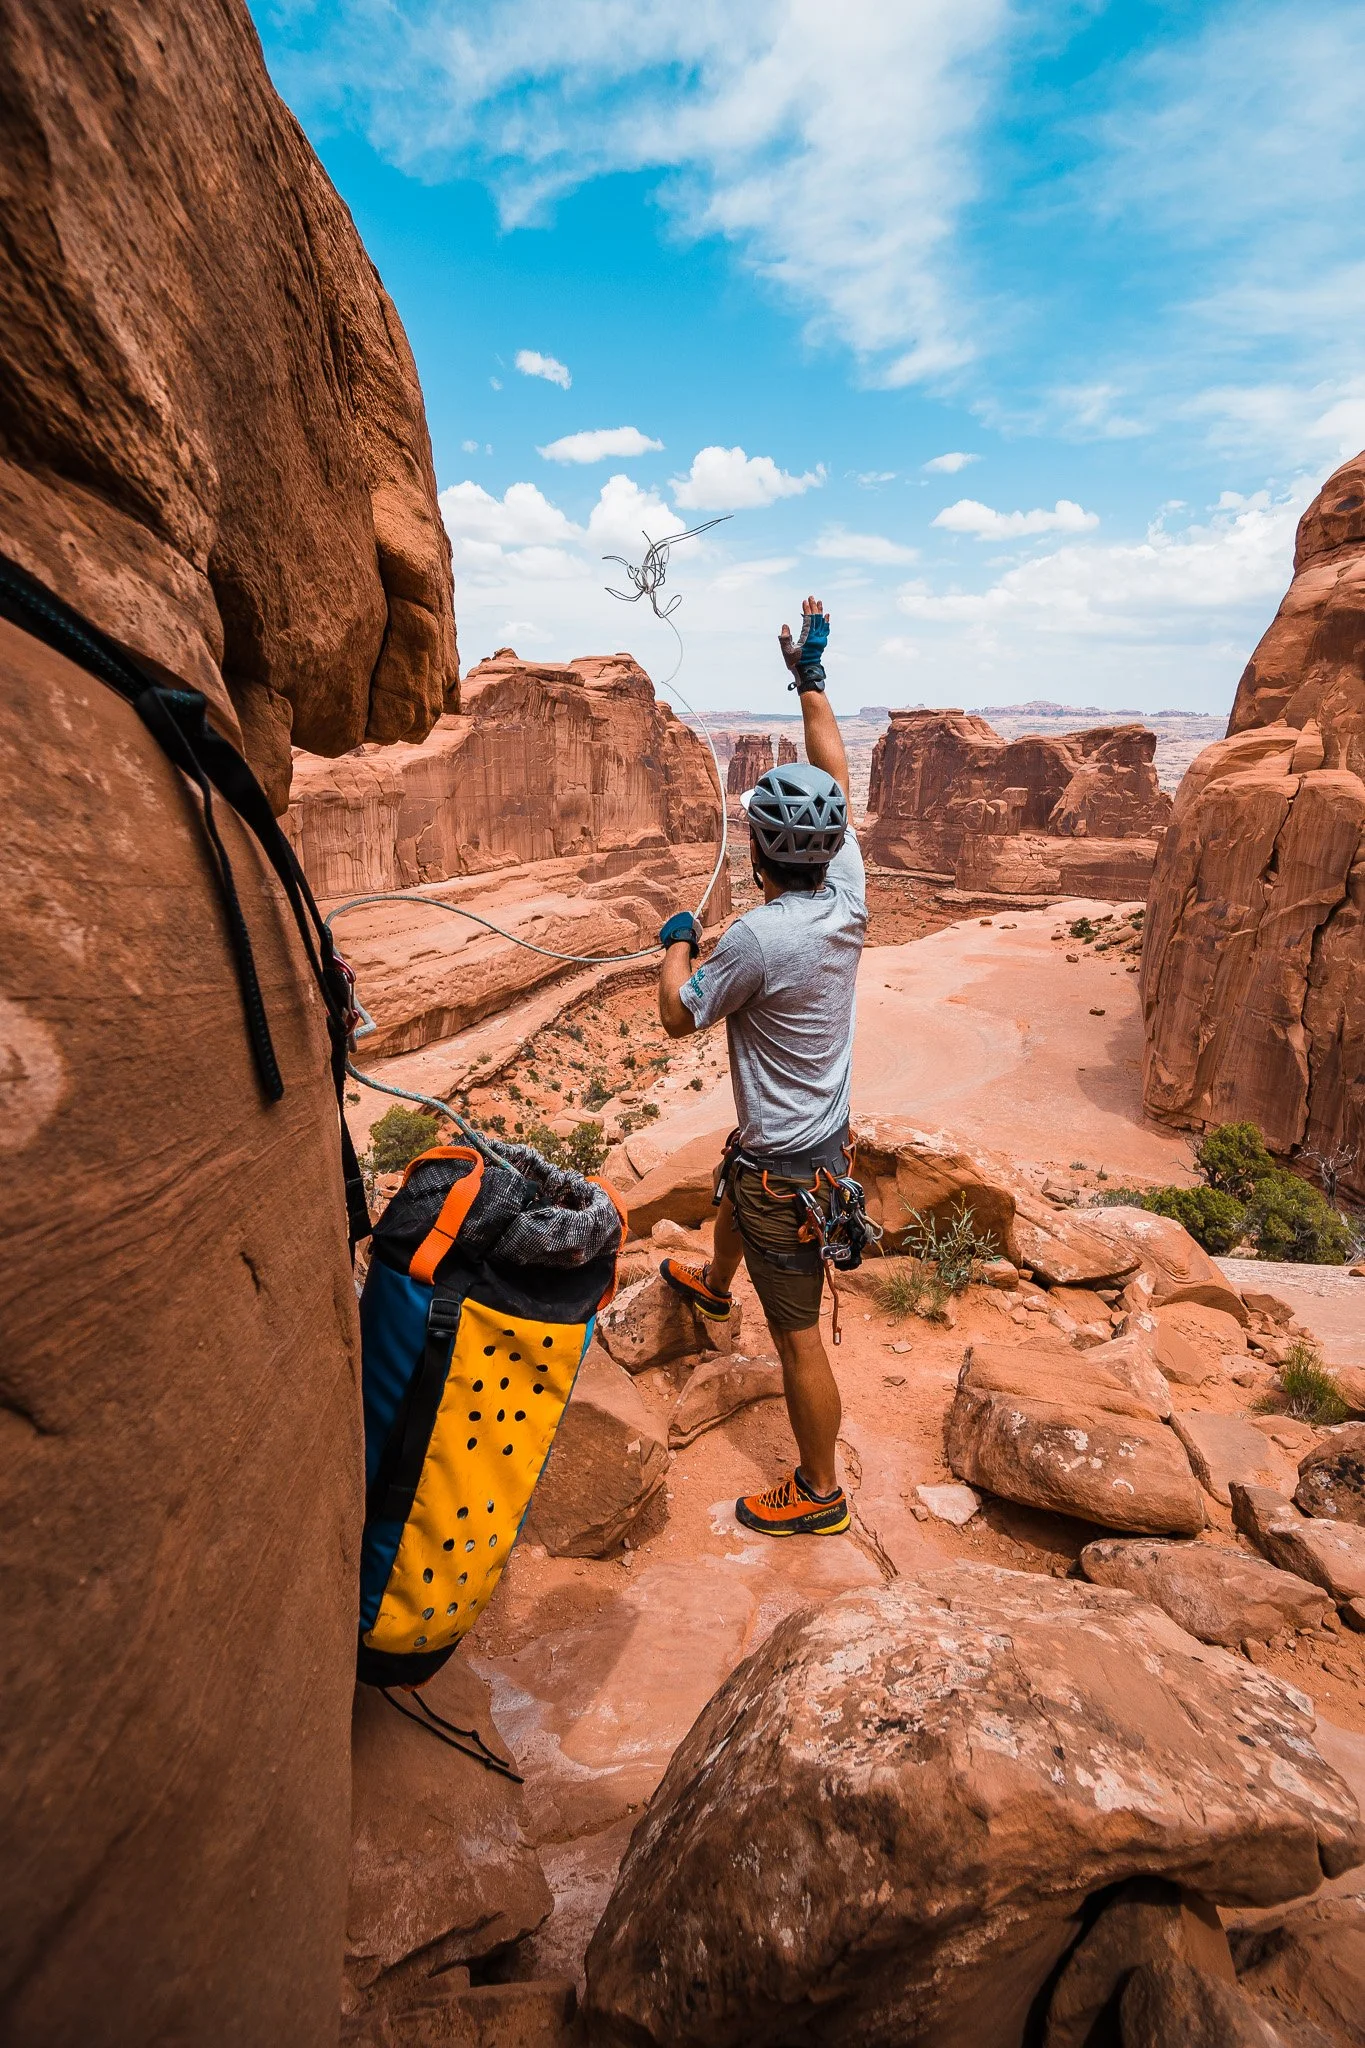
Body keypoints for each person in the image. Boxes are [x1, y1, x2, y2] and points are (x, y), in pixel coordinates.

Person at [654, 597, 867, 1537]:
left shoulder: (749, 941)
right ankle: (712, 1279)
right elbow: (836, 774)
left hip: (788, 1166)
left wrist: (674, 943)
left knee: (798, 1341)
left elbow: (675, 1016)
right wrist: (810, 676)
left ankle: (818, 1492)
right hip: (818, 1138)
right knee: (737, 1174)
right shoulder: (847, 893)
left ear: (757, 851)